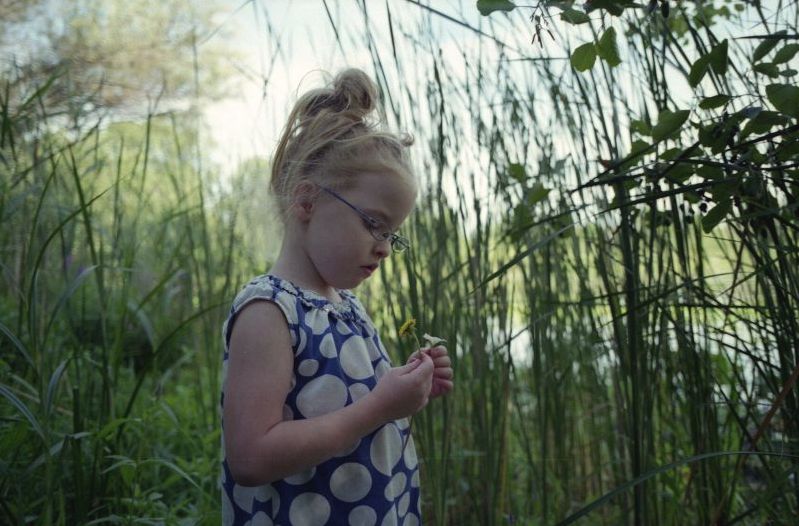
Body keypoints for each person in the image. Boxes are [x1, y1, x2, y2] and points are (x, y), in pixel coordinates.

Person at [220, 68, 454, 526]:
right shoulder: (269, 313)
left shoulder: (345, 306)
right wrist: (379, 407)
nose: (385, 246)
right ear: (307, 203)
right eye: (373, 223)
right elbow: (249, 459)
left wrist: (407, 386)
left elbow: (350, 405)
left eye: (393, 234)